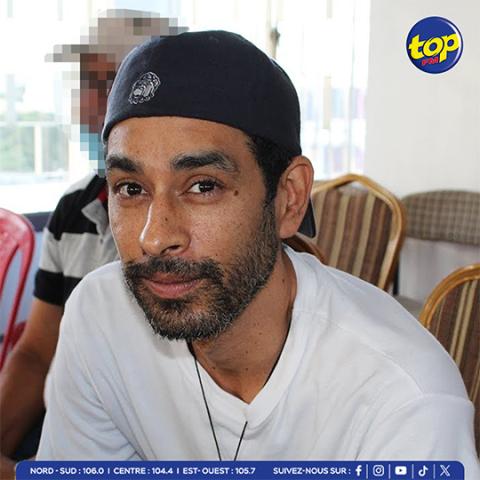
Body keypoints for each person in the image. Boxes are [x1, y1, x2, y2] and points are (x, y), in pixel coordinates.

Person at [37, 31, 479, 476]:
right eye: (131, 189)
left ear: (289, 198)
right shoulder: (101, 316)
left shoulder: (403, 397)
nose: (155, 238)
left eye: (203, 186)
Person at [0, 11, 182, 479]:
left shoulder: (186, 229)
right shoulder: (73, 209)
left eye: (106, 86)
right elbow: (37, 352)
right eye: (85, 86)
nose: (86, 107)